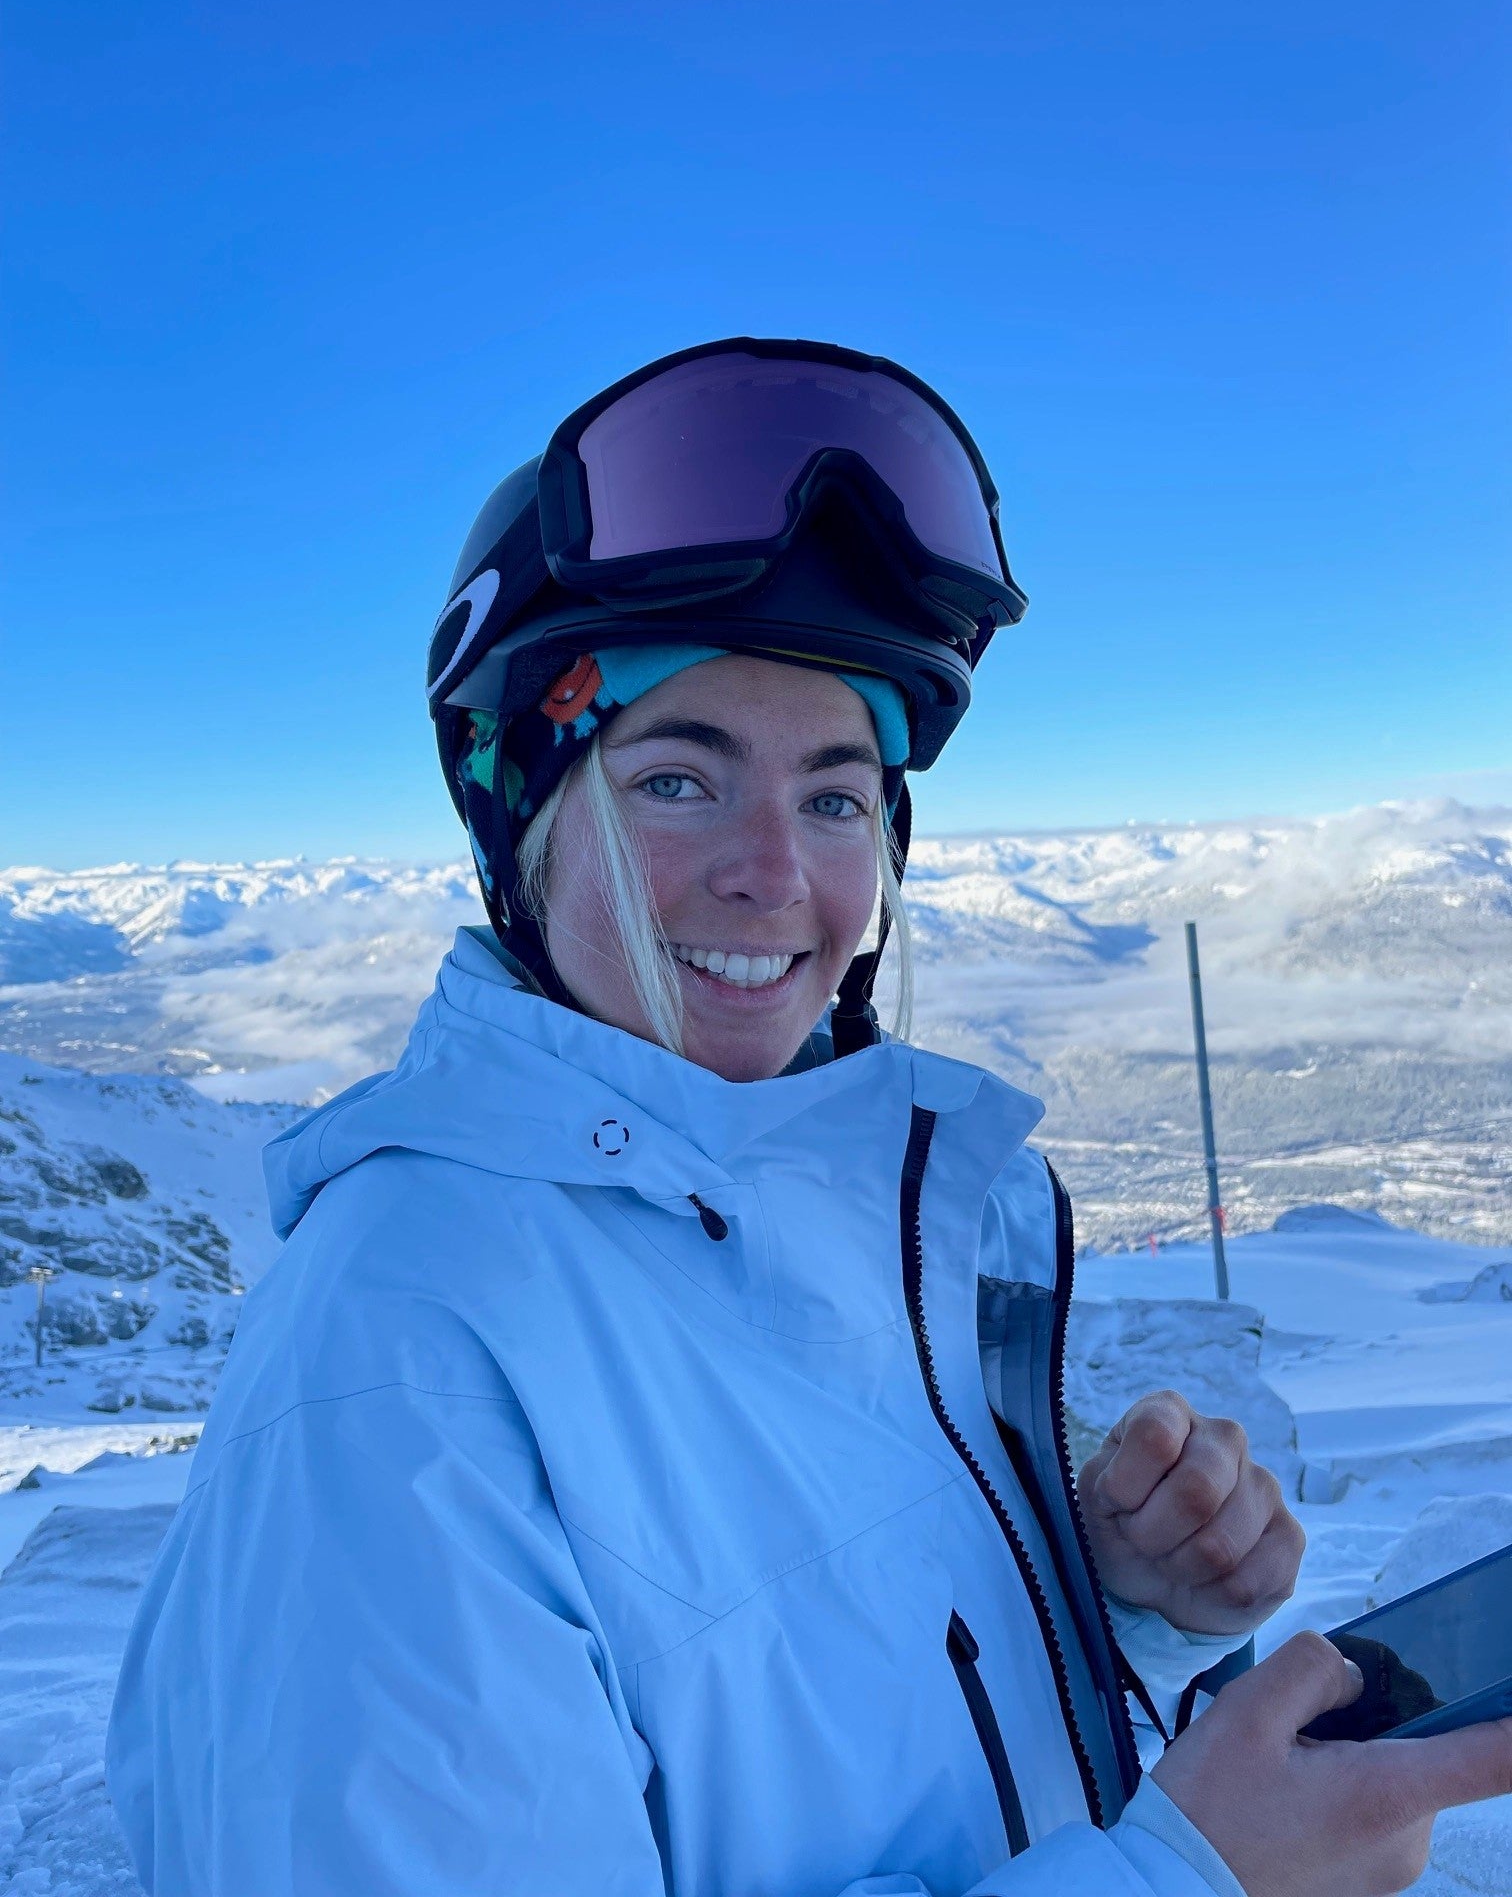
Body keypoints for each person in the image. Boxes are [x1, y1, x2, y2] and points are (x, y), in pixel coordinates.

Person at [106, 340, 1510, 1895]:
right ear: (526, 820)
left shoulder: (841, 1229)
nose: (775, 875)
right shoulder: (397, 1363)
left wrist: (1117, 1606)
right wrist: (1189, 1881)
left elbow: (860, 1743)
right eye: (678, 780)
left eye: (836, 796)